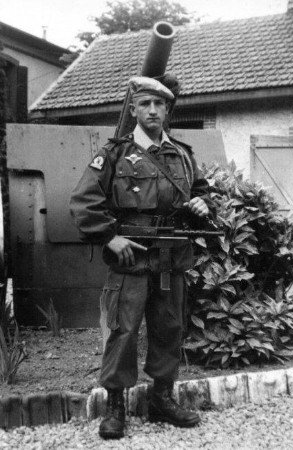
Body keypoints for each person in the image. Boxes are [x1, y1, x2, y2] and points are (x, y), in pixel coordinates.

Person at [70, 75, 214, 440]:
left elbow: (201, 192)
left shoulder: (182, 154)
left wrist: (203, 203)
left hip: (171, 257)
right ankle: (115, 405)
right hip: (131, 257)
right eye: (145, 104)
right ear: (133, 109)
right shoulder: (115, 153)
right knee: (124, 331)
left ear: (168, 110)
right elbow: (84, 201)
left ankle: (162, 398)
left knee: (169, 328)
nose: (152, 110)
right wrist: (109, 236)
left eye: (159, 105)